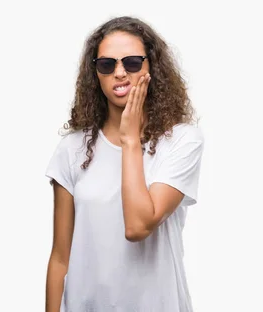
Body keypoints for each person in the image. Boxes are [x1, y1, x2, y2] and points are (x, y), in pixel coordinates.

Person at [44, 16, 204, 312]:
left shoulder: (182, 141)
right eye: (107, 64)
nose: (119, 73)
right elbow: (60, 258)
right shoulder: (71, 149)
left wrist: (130, 140)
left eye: (131, 62)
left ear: (150, 67)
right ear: (96, 74)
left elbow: (138, 226)